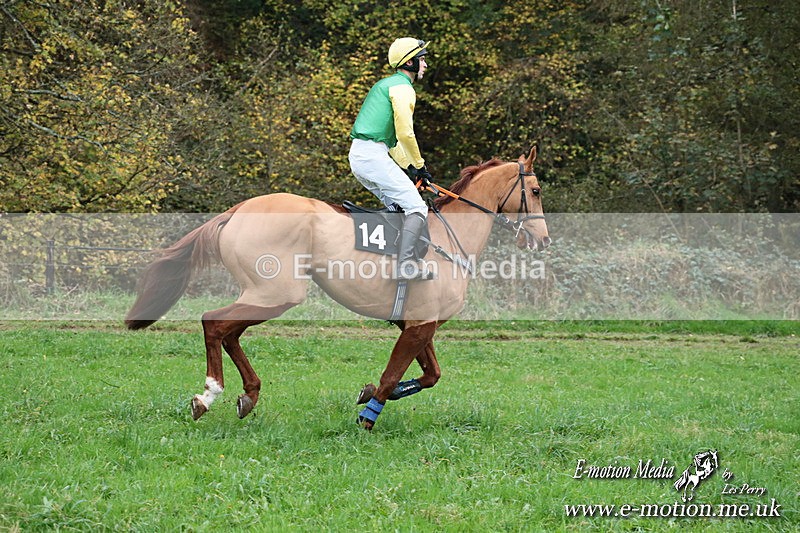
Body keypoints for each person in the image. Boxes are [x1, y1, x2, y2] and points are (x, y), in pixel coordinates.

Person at [349, 37, 434, 281]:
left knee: (397, 209)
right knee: (417, 207)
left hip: (362, 156)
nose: (425, 64)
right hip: (373, 157)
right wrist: (419, 165)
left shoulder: (385, 85)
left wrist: (410, 167)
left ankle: (386, 259)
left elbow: (392, 143)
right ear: (410, 62)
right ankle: (405, 266)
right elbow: (406, 133)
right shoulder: (403, 88)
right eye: (422, 59)